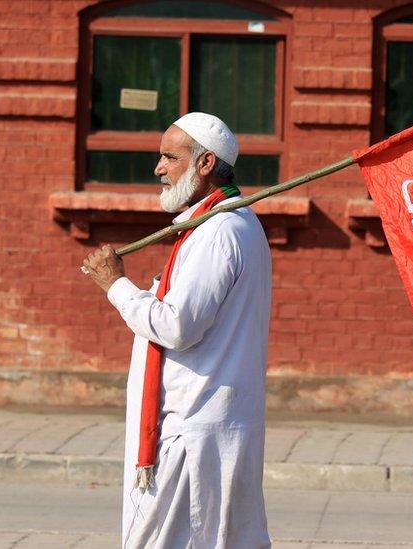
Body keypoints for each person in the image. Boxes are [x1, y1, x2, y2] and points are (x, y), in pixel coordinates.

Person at [82, 112, 272, 548]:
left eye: (170, 157)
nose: (159, 168)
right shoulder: (220, 224)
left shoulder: (221, 230)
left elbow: (177, 325)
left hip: (194, 430)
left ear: (205, 164)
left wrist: (117, 286)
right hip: (203, 425)